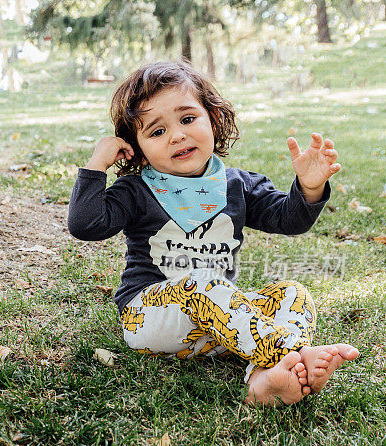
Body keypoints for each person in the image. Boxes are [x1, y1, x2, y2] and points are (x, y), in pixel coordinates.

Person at [68, 61, 358, 406]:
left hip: (218, 328)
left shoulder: (237, 185)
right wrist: (97, 164)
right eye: (157, 132)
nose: (177, 135)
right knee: (203, 281)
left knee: (291, 292)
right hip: (149, 318)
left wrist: (309, 188)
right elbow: (86, 225)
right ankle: (294, 353)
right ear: (137, 147)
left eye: (187, 119)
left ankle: (264, 380)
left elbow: (289, 220)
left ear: (213, 118)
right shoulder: (134, 190)